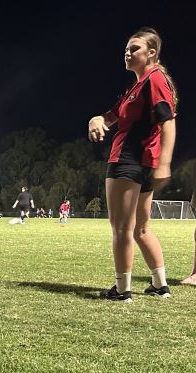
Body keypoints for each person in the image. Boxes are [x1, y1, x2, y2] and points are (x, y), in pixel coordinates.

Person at [88, 27, 177, 301]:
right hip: (142, 163)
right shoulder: (137, 87)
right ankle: (159, 285)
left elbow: (168, 121)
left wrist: (165, 163)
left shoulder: (154, 79)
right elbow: (110, 116)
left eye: (134, 48)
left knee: (122, 228)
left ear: (152, 53)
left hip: (130, 161)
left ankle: (122, 290)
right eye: (126, 48)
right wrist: (95, 119)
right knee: (140, 228)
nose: (127, 52)